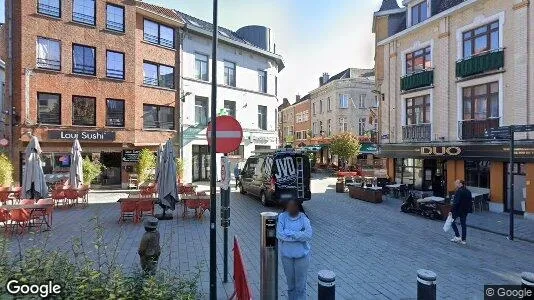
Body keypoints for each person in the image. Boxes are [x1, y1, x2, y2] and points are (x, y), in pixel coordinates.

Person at [277, 199, 312, 300]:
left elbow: (308, 235)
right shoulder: (282, 217)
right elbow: (280, 235)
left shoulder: (304, 218)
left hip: (302, 257)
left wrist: (288, 232)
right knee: (291, 286)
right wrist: (299, 235)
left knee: (300, 287)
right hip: (287, 257)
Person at [450, 179, 473, 245]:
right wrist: (469, 210)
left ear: (460, 184)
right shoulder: (468, 191)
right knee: (463, 225)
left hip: (458, 210)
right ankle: (464, 240)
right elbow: (470, 202)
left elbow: (456, 203)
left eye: (457, 183)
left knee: (451, 221)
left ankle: (457, 236)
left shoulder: (459, 191)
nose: (455, 184)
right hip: (465, 211)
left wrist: (451, 210)